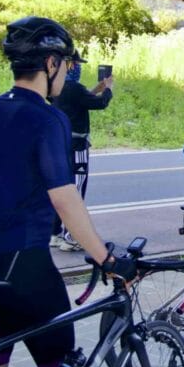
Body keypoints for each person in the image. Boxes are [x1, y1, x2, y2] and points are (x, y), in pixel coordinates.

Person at [0, 16, 115, 367]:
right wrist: (105, 259)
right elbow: (64, 197)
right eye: (67, 64)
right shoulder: (49, 118)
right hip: (25, 265)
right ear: (50, 63)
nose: (69, 71)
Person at [50, 51, 114, 252]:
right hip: (77, 147)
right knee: (76, 191)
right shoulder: (75, 89)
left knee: (59, 189)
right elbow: (100, 103)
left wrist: (98, 88)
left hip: (59, 145)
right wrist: (108, 90)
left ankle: (55, 233)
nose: (78, 67)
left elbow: (82, 99)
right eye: (76, 64)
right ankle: (71, 237)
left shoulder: (56, 89)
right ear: (69, 65)